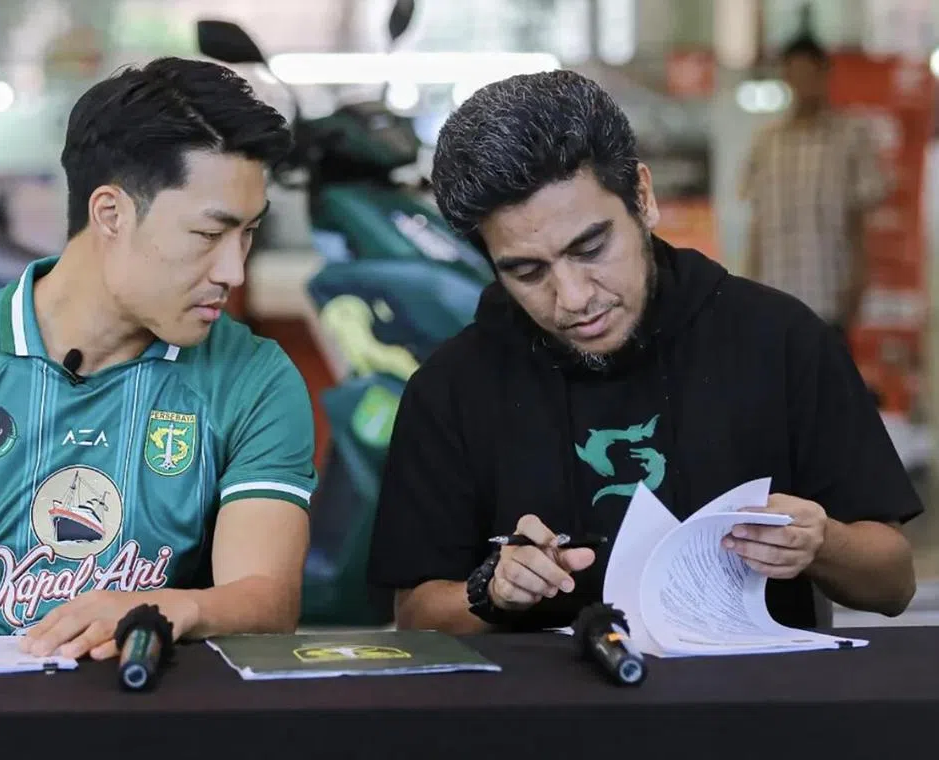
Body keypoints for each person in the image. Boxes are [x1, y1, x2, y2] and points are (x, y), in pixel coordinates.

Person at [367, 69, 920, 634]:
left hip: (754, 710)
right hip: (539, 718)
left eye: (591, 247)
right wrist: (492, 590)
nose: (573, 298)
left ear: (643, 198)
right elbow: (416, 615)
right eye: (528, 272)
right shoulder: (453, 389)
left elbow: (894, 584)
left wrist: (822, 543)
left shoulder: (779, 341)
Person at [0, 57, 317, 660]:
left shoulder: (254, 378)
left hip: (145, 712)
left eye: (248, 234)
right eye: (209, 234)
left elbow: (266, 599)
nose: (233, 271)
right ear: (111, 214)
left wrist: (173, 606)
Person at [740, 32, 887, 336]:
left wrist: (859, 281)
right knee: (775, 381)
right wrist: (748, 284)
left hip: (829, 295)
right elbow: (757, 221)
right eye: (795, 72)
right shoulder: (766, 142)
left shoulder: (850, 137)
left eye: (810, 72)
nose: (803, 81)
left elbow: (858, 220)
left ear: (824, 74)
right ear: (786, 76)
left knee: (827, 380)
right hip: (774, 293)